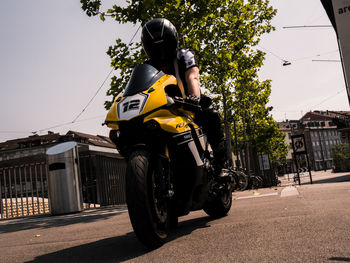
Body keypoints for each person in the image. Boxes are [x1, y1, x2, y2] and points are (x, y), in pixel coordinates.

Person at [141, 18, 229, 181]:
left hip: (187, 104)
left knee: (211, 114)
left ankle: (220, 165)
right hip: (162, 110)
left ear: (172, 41)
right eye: (155, 47)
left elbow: (192, 76)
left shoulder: (184, 55)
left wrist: (194, 97)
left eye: (163, 45)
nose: (161, 52)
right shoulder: (148, 67)